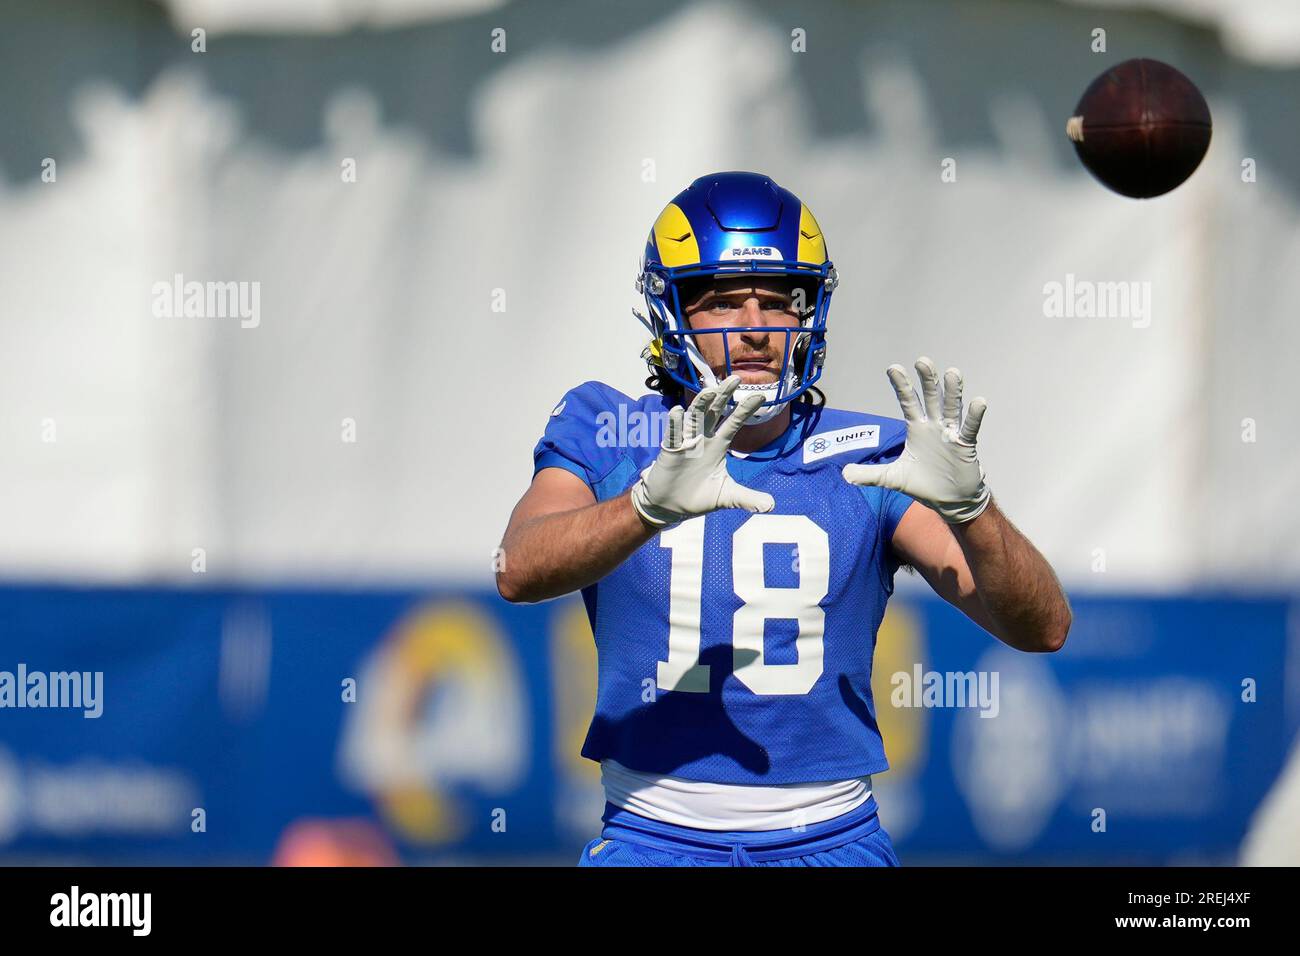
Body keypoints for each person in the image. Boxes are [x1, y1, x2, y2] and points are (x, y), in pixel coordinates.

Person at [497, 171, 1072, 866]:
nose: (756, 328)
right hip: (652, 838)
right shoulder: (608, 430)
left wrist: (976, 512)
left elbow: (1042, 628)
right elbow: (518, 568)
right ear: (670, 313)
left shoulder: (873, 459)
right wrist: (644, 506)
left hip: (831, 841)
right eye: (723, 302)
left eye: (779, 301)